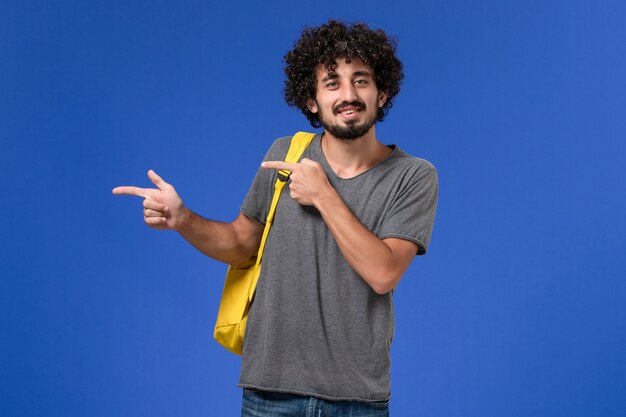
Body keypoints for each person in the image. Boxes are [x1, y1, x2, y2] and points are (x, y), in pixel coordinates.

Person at [113, 19, 438, 417]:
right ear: (311, 101)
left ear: (382, 92)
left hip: (357, 400)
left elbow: (383, 273)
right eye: (332, 83)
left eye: (361, 80)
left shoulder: (414, 175)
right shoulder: (286, 153)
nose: (348, 94)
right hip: (269, 394)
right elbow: (240, 244)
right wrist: (183, 219)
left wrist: (323, 195)